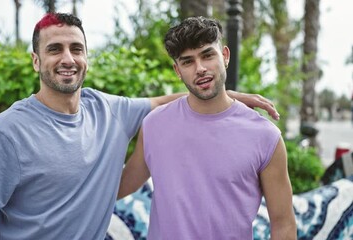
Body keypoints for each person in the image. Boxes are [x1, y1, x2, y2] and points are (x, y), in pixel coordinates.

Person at [0, 13, 280, 240]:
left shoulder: (108, 109)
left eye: (76, 49)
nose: (67, 58)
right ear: (36, 61)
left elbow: (170, 101)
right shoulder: (8, 131)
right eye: (54, 49)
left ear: (86, 58)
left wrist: (225, 94)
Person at [118, 16, 297, 239]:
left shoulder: (265, 136)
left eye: (207, 55)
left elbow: (284, 225)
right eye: (187, 61)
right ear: (177, 70)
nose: (200, 68)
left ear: (225, 56)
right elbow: (119, 187)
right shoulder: (154, 124)